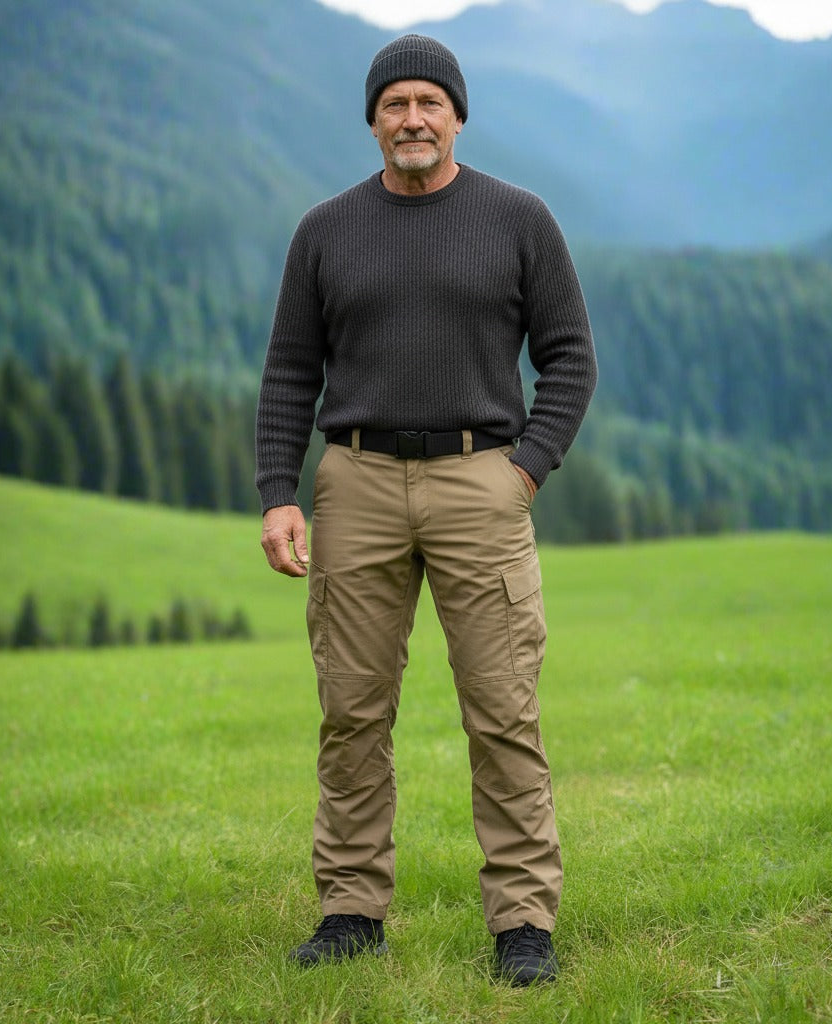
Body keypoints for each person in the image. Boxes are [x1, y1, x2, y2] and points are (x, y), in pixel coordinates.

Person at [255, 33, 597, 987]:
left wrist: (524, 471)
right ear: (373, 121)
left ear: (457, 116)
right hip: (354, 483)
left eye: (429, 103)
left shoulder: (518, 219)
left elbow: (571, 357)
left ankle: (522, 925)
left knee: (503, 709)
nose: (412, 119)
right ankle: (351, 913)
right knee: (351, 712)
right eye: (394, 104)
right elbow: (289, 371)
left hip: (481, 479)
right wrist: (279, 493)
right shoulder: (325, 230)